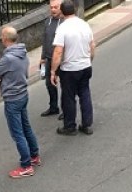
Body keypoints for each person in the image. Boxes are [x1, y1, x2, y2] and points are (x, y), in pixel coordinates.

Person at [0, 26, 40, 179]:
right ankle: (34, 155)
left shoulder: (8, 58)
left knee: (17, 133)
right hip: (23, 94)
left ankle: (26, 165)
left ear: (5, 38)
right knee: (26, 127)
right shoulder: (22, 53)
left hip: (12, 98)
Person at [51, 0, 95, 136]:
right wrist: (89, 60)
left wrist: (53, 71)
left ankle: (70, 126)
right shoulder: (84, 25)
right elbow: (92, 45)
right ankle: (87, 125)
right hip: (85, 66)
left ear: (62, 12)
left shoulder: (63, 28)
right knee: (85, 94)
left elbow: (58, 52)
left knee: (68, 97)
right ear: (75, 10)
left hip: (70, 69)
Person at [40, 0, 64, 120]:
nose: (53, 10)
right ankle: (53, 107)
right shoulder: (47, 22)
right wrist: (43, 58)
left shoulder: (65, 23)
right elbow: (45, 41)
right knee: (49, 84)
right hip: (49, 58)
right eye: (51, 7)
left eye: (56, 7)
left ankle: (66, 109)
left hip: (62, 59)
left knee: (65, 85)